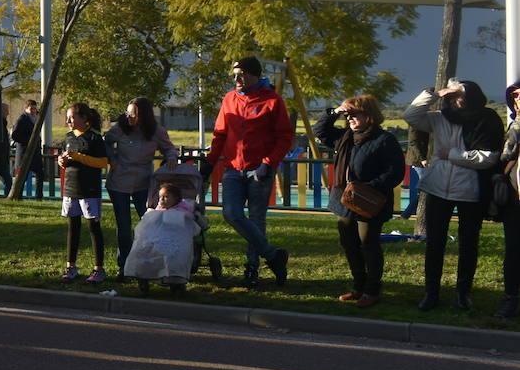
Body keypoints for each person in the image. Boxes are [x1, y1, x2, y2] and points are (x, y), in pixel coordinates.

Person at [403, 80, 502, 311]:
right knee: (435, 243)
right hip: (438, 188)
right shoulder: (439, 118)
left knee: (469, 244)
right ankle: (431, 293)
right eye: (450, 97)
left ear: (472, 97)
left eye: (458, 96)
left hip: (472, 189)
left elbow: (488, 157)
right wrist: (435, 93)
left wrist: (452, 154)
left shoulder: (486, 120)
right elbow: (411, 115)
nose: (453, 101)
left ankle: (463, 293)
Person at [205, 56, 292, 289]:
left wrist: (268, 163)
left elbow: (285, 137)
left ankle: (252, 268)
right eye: (234, 74)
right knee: (231, 213)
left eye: (241, 74)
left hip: (260, 170)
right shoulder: (230, 99)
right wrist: (210, 161)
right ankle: (273, 255)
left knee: (256, 219)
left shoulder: (272, 100)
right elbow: (220, 134)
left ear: (254, 75)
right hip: (233, 168)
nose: (236, 79)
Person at [313, 94, 405, 309]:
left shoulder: (384, 140)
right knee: (349, 243)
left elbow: (395, 172)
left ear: (369, 115)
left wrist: (367, 187)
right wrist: (335, 112)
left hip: (369, 201)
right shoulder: (345, 137)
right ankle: (358, 286)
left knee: (368, 244)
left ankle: (372, 290)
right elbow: (320, 131)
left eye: (355, 114)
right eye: (348, 115)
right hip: (344, 200)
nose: (350, 119)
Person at [104, 98, 178, 281]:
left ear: (143, 115)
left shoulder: (156, 131)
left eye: (133, 114)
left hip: (143, 183)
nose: (129, 116)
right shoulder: (120, 128)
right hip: (119, 182)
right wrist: (111, 159)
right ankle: (125, 266)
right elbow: (105, 141)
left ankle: (152, 263)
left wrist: (171, 157)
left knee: (148, 223)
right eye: (127, 112)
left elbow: (169, 148)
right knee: (123, 225)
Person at [58, 102, 109, 285]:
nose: (68, 121)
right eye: (68, 117)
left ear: (84, 119)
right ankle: (71, 266)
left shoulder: (94, 138)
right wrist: (62, 161)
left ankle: (99, 269)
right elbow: (64, 160)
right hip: (71, 188)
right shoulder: (68, 137)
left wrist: (78, 157)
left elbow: (102, 162)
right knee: (73, 227)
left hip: (89, 189)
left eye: (72, 117)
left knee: (93, 228)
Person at [123, 181, 206, 288]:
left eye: (166, 196)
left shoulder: (183, 211)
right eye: (160, 197)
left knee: (174, 254)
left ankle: (175, 278)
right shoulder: (156, 212)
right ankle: (142, 273)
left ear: (176, 198)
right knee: (142, 249)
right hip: (157, 238)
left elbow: (194, 226)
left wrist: (195, 218)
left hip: (176, 239)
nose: (161, 199)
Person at [496, 83, 520, 319]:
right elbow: (506, 156)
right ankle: (511, 298)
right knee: (513, 250)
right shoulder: (515, 127)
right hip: (515, 199)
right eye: (514, 97)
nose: (518, 100)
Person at [11, 99, 45, 198]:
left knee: (40, 174)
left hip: (35, 153)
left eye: (35, 108)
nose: (33, 111)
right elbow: (15, 136)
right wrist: (30, 141)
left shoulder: (35, 117)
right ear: (26, 108)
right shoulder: (22, 119)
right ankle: (18, 196)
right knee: (22, 177)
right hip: (25, 153)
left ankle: (39, 196)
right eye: (31, 109)